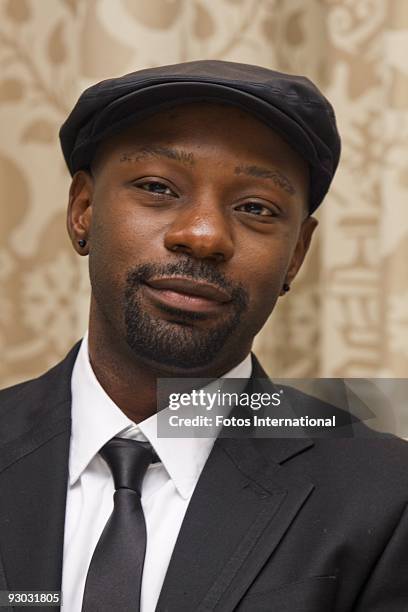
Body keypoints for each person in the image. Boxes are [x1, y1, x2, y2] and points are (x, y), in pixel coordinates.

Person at [0, 60, 407, 612]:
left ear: (297, 255)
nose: (204, 234)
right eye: (158, 187)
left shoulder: (385, 497)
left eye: (255, 208)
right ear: (83, 210)